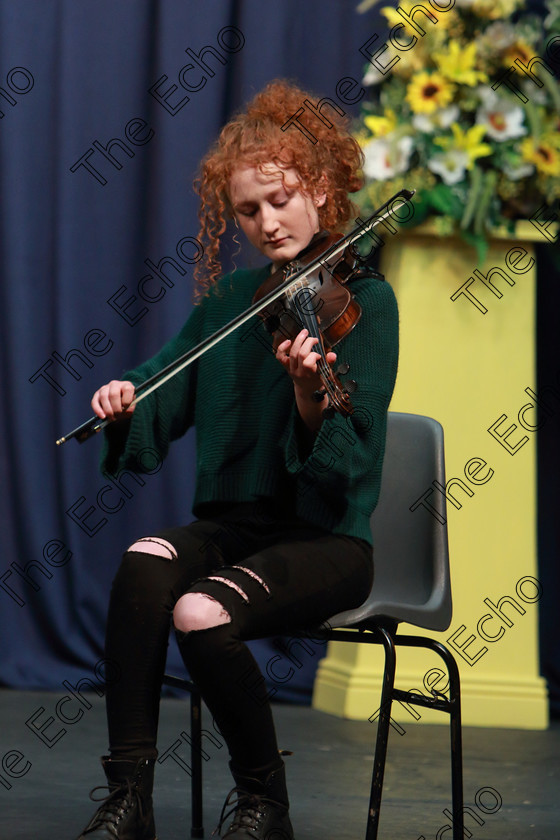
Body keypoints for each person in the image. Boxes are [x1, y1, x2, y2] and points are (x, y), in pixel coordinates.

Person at [75, 79, 399, 840]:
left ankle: (264, 803)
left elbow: (349, 468)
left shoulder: (365, 303)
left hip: (327, 539)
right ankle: (129, 798)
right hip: (235, 527)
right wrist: (127, 401)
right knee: (144, 561)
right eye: (249, 210)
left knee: (198, 610)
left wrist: (309, 397)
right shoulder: (228, 307)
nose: (267, 221)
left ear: (320, 188)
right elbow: (162, 396)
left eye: (281, 199)